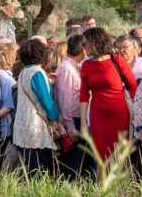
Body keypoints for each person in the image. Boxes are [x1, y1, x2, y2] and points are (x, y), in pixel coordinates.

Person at [80, 27, 137, 165]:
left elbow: (133, 86)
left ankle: (125, 186)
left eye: (84, 43)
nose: (83, 47)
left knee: (122, 156)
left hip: (120, 115)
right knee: (101, 158)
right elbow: (83, 94)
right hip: (98, 117)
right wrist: (83, 123)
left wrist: (136, 114)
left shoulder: (117, 60)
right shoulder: (87, 65)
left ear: (94, 42)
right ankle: (102, 187)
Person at [13, 39, 61, 176]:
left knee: (27, 167)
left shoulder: (23, 73)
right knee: (40, 168)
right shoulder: (37, 73)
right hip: (36, 125)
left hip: (22, 125)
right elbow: (45, 100)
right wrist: (56, 118)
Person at [53, 34, 89, 178]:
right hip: (72, 121)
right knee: (72, 168)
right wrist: (71, 128)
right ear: (83, 51)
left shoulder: (72, 66)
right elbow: (65, 102)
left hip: (76, 120)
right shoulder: (67, 68)